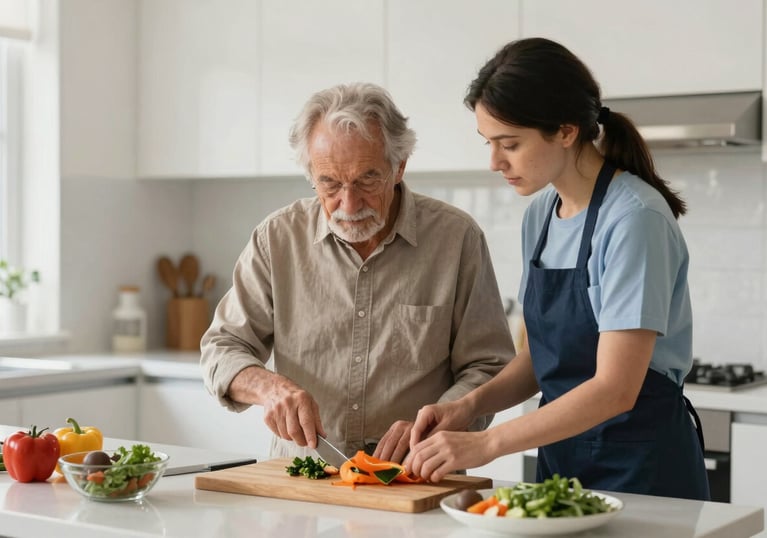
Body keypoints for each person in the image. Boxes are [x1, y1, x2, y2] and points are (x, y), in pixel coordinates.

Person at [406, 38, 710, 500]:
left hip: (642, 469)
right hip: (560, 465)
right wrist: (468, 407)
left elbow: (614, 389)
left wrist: (488, 442)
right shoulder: (542, 213)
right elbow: (535, 361)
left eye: (510, 144)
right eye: (489, 143)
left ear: (566, 132)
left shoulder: (634, 219)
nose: (494, 162)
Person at [200, 82, 515, 463]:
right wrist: (269, 389)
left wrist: (439, 420)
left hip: (414, 474)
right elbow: (222, 348)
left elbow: (490, 366)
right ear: (311, 175)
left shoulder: (456, 239)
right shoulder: (277, 238)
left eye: (367, 179)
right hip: (303, 477)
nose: (348, 203)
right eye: (329, 183)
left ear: (398, 166)